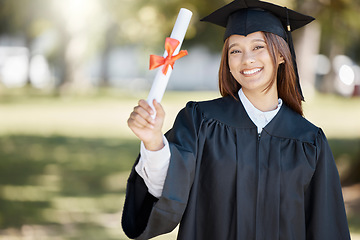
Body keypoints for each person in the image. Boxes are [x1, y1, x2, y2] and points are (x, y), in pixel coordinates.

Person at [122, 0, 351, 239]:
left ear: (282, 55)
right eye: (235, 50)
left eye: (258, 47)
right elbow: (169, 186)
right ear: (227, 62)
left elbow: (327, 226)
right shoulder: (201, 122)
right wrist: (154, 143)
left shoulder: (308, 140)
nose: (247, 59)